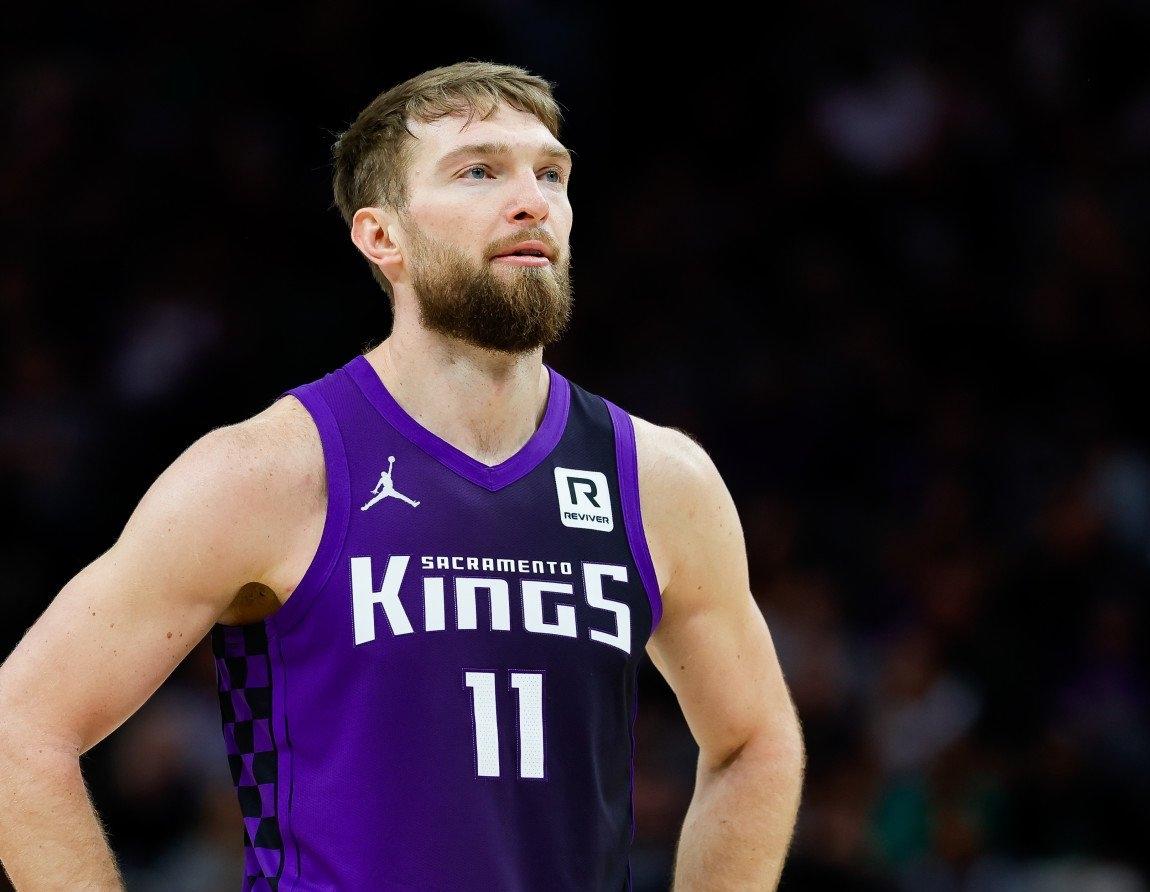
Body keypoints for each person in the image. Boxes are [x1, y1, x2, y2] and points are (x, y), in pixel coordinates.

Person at [0, 61, 804, 890]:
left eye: (550, 173)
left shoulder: (660, 480)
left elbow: (755, 741)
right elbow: (18, 729)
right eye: (479, 171)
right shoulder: (265, 472)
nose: (532, 200)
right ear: (382, 238)